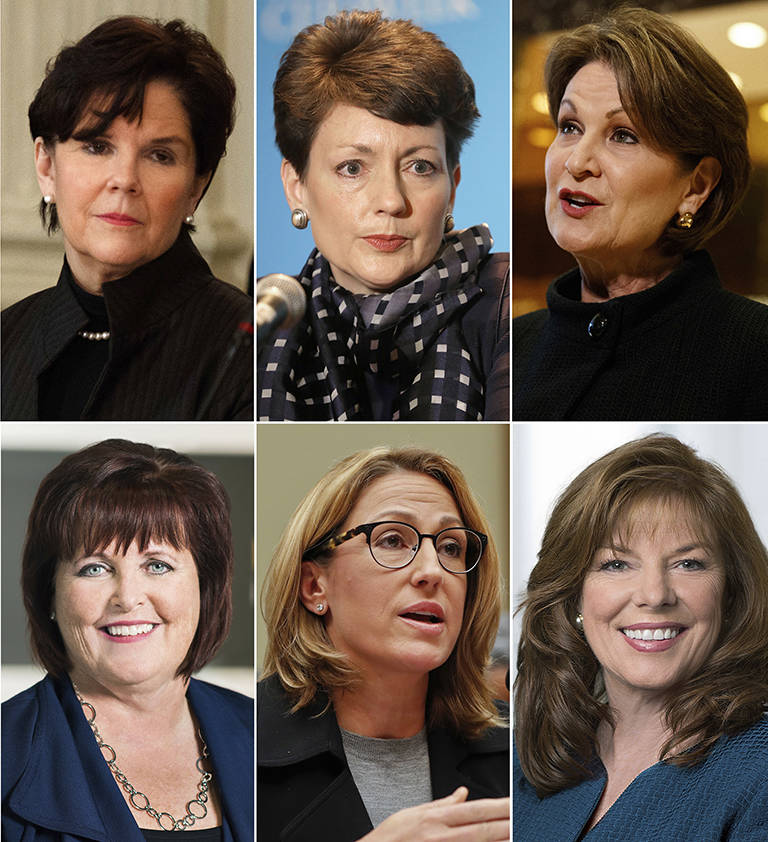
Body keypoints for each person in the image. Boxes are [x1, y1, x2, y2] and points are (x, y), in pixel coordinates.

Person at [514, 8, 768, 420]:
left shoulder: (755, 353)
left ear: (696, 186)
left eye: (623, 136)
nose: (577, 161)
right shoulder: (503, 352)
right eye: (570, 126)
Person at [259, 12, 509, 422]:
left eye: (420, 167)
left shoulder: (504, 304)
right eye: (352, 168)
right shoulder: (264, 321)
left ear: (452, 188)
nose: (391, 201)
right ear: (296, 186)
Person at [515, 434, 768, 839]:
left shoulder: (759, 773)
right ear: (573, 595)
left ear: (731, 593)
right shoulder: (525, 764)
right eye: (616, 564)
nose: (654, 595)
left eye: (688, 563)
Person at [1, 17, 252, 421]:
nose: (125, 180)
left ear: (195, 187)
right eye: (98, 147)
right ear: (47, 166)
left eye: (160, 156)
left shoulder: (247, 349)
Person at [2, 439, 253, 841]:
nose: (128, 597)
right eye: (94, 568)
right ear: (49, 592)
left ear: (206, 587)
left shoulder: (261, 733)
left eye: (158, 564)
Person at [259, 447, 509, 841]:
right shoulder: (238, 747)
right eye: (393, 540)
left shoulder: (518, 757)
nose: (432, 572)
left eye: (451, 548)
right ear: (313, 586)